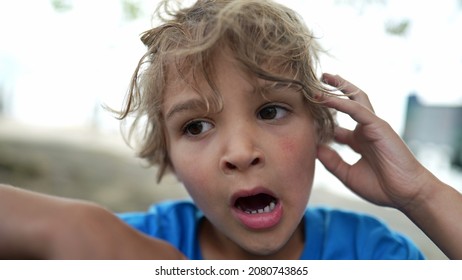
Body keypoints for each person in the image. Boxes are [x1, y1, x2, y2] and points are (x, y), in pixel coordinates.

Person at [0, 0, 461, 260]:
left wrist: (421, 194)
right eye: (196, 125)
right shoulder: (137, 245)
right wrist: (79, 225)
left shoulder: (371, 254)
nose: (240, 151)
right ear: (169, 159)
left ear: (321, 129)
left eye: (271, 111)